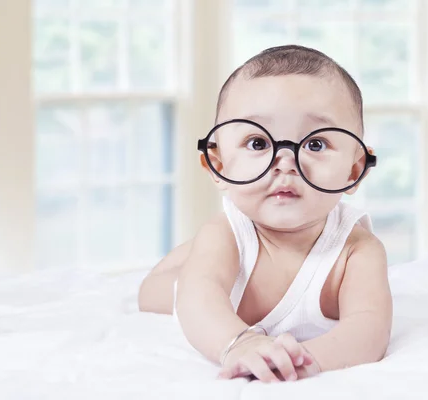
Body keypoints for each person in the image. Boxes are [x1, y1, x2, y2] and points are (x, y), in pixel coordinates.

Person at [137, 44, 393, 383]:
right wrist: (241, 344)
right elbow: (199, 298)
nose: (284, 162)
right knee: (157, 292)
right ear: (217, 165)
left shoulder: (356, 251)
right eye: (258, 143)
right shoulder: (226, 234)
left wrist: (303, 360)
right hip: (186, 284)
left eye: (315, 144)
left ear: (354, 170)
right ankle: (183, 261)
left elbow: (369, 328)